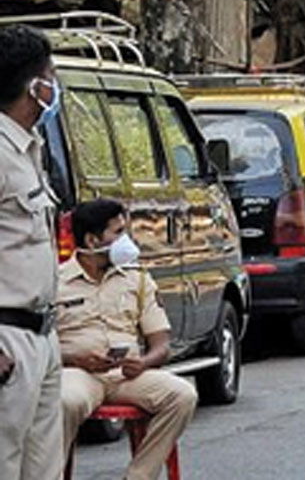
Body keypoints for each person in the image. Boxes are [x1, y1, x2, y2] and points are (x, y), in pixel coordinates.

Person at [58, 199, 198, 480]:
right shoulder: (55, 281)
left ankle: (139, 476)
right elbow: (40, 344)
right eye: (117, 233)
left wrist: (143, 362)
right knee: (63, 402)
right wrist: (74, 359)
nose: (126, 241)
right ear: (92, 239)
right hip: (78, 373)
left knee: (182, 396)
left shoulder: (137, 279)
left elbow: (161, 344)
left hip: (127, 375)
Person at [0, 24, 64, 480]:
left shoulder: (30, 148)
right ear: (34, 87)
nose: (55, 86)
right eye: (51, 76)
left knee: (42, 468)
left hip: (42, 333)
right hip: (7, 339)